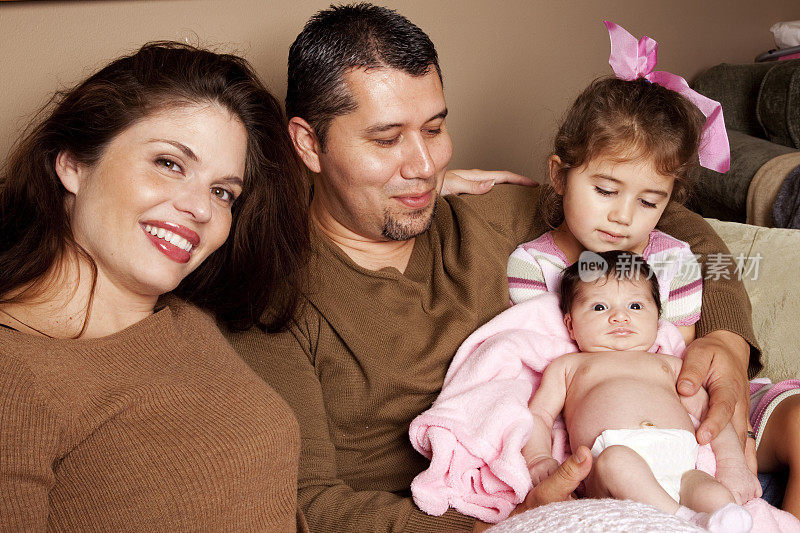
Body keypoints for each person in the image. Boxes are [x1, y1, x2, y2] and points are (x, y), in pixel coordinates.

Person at [227, 4, 759, 531]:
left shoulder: (490, 219)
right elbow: (309, 502)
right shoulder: (275, 298)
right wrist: (504, 523)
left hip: (646, 473)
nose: (424, 167)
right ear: (308, 143)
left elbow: (673, 221)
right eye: (387, 140)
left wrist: (729, 340)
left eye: (434, 130)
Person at [0, 42, 310, 531]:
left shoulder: (187, 320)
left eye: (223, 191)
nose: (201, 209)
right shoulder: (15, 377)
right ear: (73, 164)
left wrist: (413, 189)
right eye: (169, 163)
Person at [524, 251, 758, 532]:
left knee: (716, 495)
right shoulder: (569, 367)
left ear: (658, 319)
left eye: (635, 306)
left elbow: (712, 418)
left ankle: (720, 521)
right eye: (600, 308)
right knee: (617, 461)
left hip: (680, 465)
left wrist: (734, 466)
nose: (619, 316)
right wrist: (539, 458)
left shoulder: (670, 366)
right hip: (610, 462)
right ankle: (683, 521)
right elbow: (539, 415)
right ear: (571, 325)